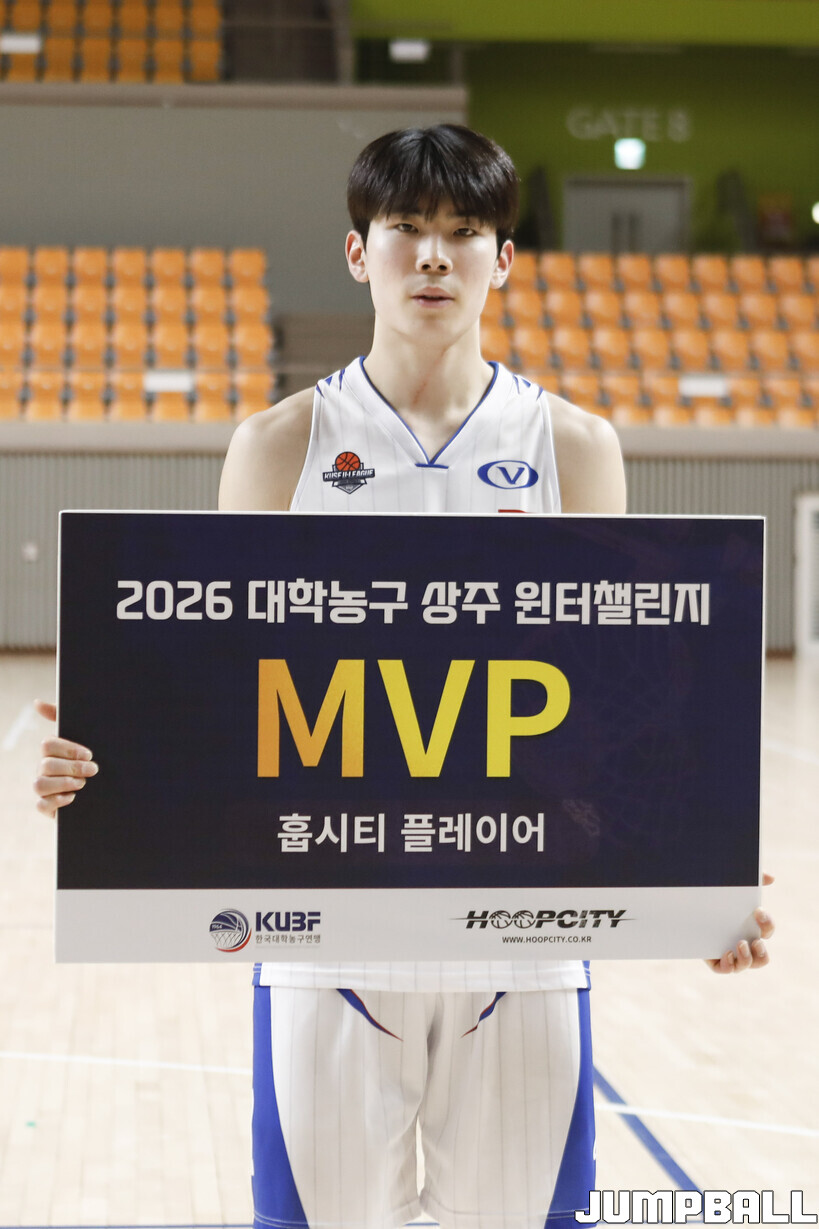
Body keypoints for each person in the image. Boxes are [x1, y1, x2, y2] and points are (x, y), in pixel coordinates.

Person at [34, 124, 774, 1229]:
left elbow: (616, 696)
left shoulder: (574, 445)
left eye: (464, 232)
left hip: (525, 938)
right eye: (408, 228)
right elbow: (223, 688)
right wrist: (98, 769)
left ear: (503, 260)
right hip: (325, 936)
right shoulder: (279, 443)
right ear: (357, 251)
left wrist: (701, 875)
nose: (434, 255)